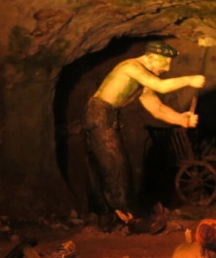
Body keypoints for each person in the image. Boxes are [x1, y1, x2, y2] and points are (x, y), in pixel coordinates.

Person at [84, 41, 205, 231]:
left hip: (105, 117)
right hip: (100, 115)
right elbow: (161, 86)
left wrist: (182, 120)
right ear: (149, 57)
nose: (166, 68)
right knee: (116, 166)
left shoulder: (142, 82)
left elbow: (157, 109)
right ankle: (130, 219)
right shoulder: (130, 67)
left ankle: (106, 216)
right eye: (164, 62)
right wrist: (189, 80)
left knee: (105, 165)